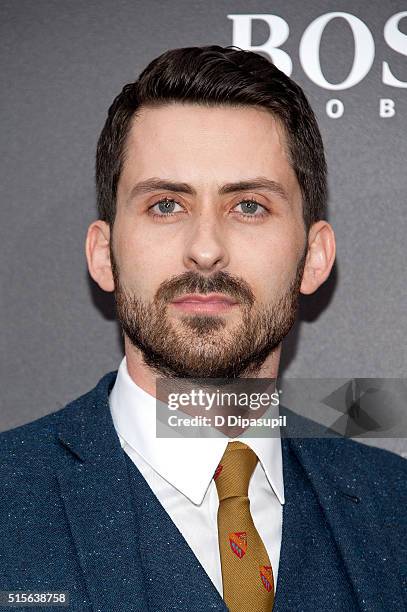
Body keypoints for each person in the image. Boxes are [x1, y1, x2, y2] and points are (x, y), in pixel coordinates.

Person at [0, 46, 405, 612]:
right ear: (103, 255)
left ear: (314, 257)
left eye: (249, 206)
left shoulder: (395, 509)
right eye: (166, 205)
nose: (206, 249)